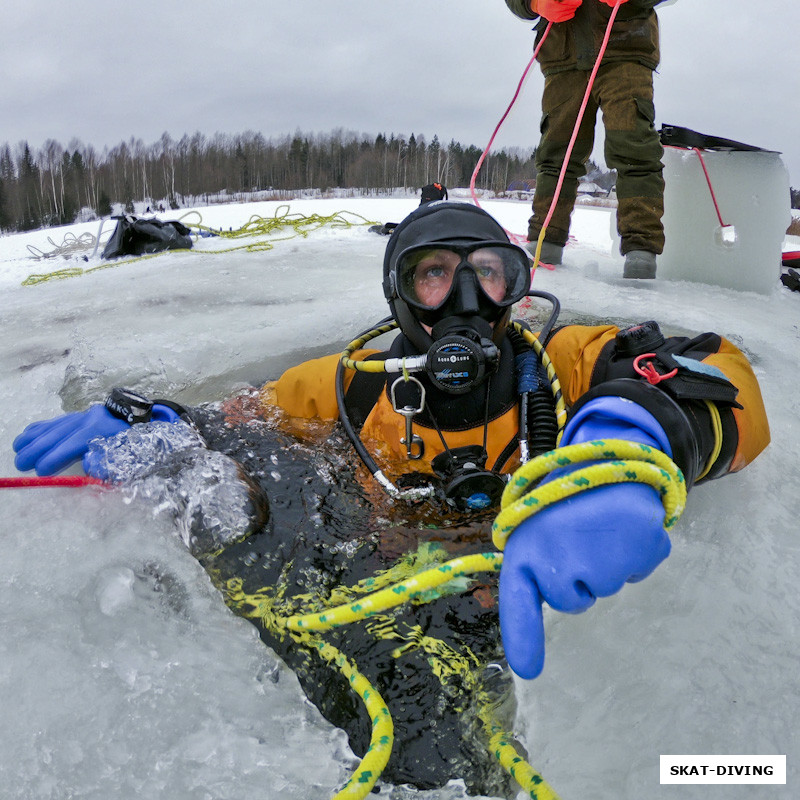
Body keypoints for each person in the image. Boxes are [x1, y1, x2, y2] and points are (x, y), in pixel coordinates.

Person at [12, 201, 769, 793]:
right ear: (399, 293)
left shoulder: (565, 363)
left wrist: (631, 437)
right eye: (434, 273)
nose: (466, 297)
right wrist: (162, 424)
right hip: (391, 588)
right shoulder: (348, 387)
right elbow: (236, 421)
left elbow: (719, 372)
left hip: (526, 606)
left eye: (490, 272)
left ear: (517, 283)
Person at [504, 0, 672, 278]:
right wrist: (534, 3)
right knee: (556, 153)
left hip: (625, 52)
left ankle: (641, 250)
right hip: (563, 58)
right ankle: (544, 242)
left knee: (634, 148)